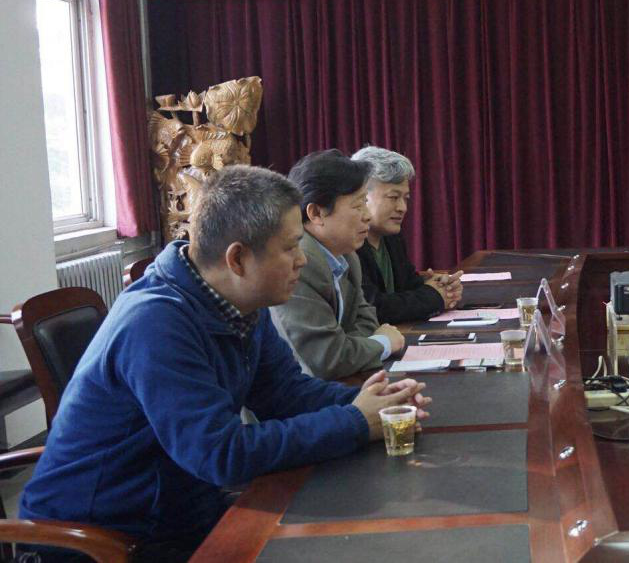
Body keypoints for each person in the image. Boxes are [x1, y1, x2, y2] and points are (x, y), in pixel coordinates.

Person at [18, 166, 430, 561]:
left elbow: (285, 393)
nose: (302, 260)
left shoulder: (242, 301)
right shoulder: (156, 323)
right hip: (106, 539)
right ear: (237, 259)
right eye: (290, 247)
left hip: (182, 512)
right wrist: (355, 422)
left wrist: (371, 401)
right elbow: (219, 453)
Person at [271, 149, 405, 380]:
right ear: (316, 213)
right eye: (358, 205)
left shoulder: (347, 256)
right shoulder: (296, 264)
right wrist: (382, 343)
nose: (367, 215)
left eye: (365, 203)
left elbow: (367, 319)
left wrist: (347, 344)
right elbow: (328, 359)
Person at [351, 146, 462, 324]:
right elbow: (375, 307)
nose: (402, 208)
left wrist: (440, 286)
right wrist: (434, 296)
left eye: (406, 198)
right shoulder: (346, 244)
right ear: (362, 197)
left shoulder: (392, 236)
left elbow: (408, 286)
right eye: (393, 197)